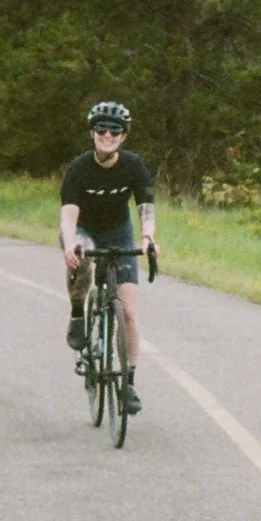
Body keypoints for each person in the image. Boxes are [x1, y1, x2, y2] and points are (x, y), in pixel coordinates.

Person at [60, 101, 157, 412]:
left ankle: (127, 384)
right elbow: (69, 214)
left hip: (118, 231)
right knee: (82, 256)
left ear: (123, 137)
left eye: (114, 130)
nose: (107, 134)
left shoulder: (133, 165)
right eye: (101, 129)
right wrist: (71, 243)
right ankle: (78, 312)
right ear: (92, 133)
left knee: (128, 309)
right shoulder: (79, 168)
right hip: (84, 228)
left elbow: (146, 207)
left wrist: (148, 237)